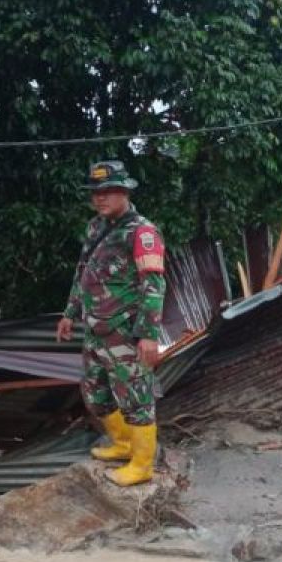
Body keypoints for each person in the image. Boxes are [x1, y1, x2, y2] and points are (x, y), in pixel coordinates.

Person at [56, 160, 166, 487]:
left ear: (125, 191)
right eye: (95, 193)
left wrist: (148, 334)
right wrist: (69, 314)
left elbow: (154, 283)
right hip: (95, 328)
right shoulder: (96, 227)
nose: (99, 199)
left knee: (135, 396)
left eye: (107, 192)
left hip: (124, 330)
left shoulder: (142, 232)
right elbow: (83, 273)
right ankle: (121, 444)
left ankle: (143, 464)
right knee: (95, 391)